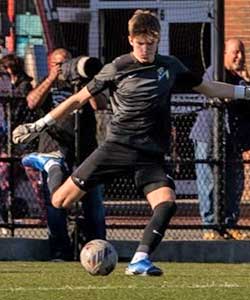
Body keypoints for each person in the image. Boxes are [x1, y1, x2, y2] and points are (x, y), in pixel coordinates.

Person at [12, 10, 250, 275]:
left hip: (150, 155)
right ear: (130, 40)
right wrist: (40, 124)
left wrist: (245, 91)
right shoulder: (117, 67)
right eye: (140, 43)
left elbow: (209, 88)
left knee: (167, 203)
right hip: (116, 148)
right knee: (59, 202)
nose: (145, 48)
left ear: (158, 39)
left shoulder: (169, 66)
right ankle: (52, 164)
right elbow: (78, 99)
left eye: (151, 42)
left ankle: (139, 259)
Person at [20, 48, 106, 261]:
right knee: (55, 201)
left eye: (67, 62)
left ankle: (98, 248)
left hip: (84, 150)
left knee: (93, 201)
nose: (64, 67)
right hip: (53, 151)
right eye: (59, 63)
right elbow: (32, 102)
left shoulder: (82, 85)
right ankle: (59, 250)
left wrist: (85, 81)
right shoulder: (46, 84)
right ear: (50, 65)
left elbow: (100, 105)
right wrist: (51, 77)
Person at [189, 38, 250, 240]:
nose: (239, 57)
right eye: (235, 52)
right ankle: (210, 226)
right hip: (208, 135)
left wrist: (245, 80)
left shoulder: (240, 77)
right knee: (209, 181)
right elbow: (218, 95)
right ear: (224, 53)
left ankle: (230, 224)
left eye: (242, 53)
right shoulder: (215, 72)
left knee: (235, 181)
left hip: (232, 137)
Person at [0, 54, 37, 227]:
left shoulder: (23, 86)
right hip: (7, 139)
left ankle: (46, 213)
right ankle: (6, 212)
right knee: (5, 176)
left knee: (32, 176)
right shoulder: (9, 88)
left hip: (20, 138)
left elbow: (19, 111)